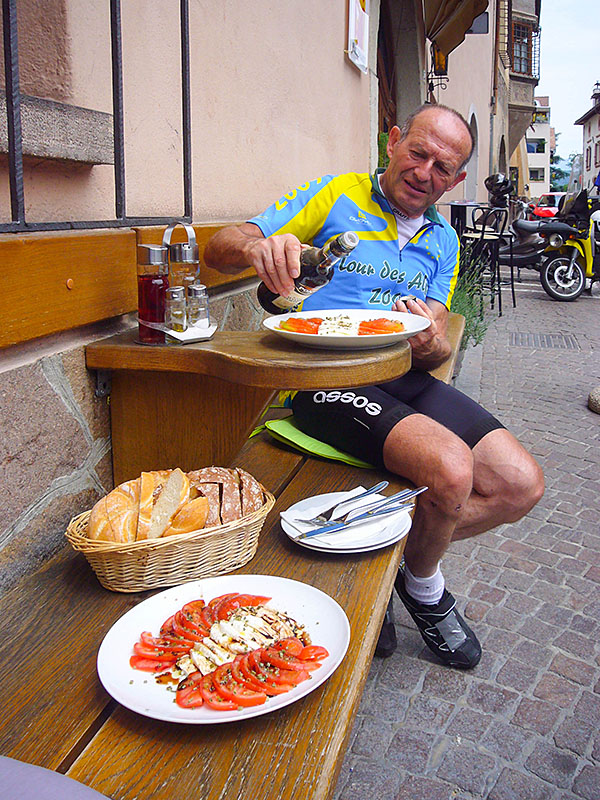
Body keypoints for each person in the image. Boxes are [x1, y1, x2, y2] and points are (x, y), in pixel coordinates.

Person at [204, 104, 545, 670]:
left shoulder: (444, 241)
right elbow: (221, 249)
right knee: (452, 471)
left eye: (443, 168)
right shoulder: (336, 194)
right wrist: (256, 248)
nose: (425, 173)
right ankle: (427, 590)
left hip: (401, 377)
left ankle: (394, 571)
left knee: (520, 485)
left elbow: (436, 343)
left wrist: (433, 337)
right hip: (323, 381)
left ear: (458, 180)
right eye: (419, 153)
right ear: (393, 142)